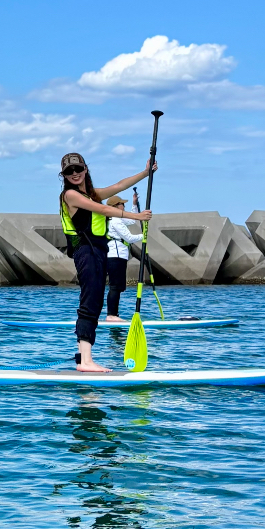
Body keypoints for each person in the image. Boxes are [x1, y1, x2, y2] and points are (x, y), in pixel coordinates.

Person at [59, 152, 155, 372]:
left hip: (100, 252)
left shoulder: (93, 193)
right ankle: (86, 362)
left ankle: (82, 357)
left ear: (85, 169)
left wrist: (145, 172)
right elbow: (102, 209)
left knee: (95, 302)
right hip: (86, 251)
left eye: (78, 169)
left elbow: (120, 185)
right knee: (90, 301)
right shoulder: (70, 196)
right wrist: (137, 217)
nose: (74, 174)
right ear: (64, 175)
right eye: (69, 172)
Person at [103, 195, 144, 322]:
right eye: (122, 204)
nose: (124, 206)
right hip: (115, 255)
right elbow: (129, 238)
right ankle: (111, 315)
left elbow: (132, 220)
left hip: (120, 255)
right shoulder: (115, 221)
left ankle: (114, 314)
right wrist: (144, 235)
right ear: (116, 206)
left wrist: (134, 204)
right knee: (115, 285)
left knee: (119, 286)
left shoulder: (117, 219)